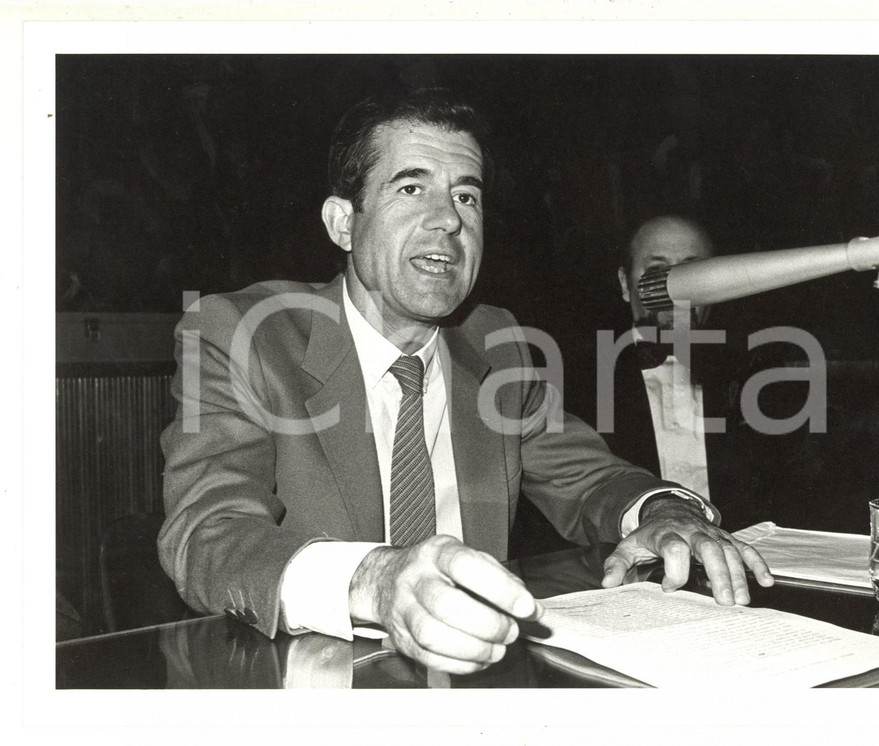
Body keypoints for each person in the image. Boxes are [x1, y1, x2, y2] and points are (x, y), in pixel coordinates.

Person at [158, 89, 772, 676]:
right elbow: (208, 536)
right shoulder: (243, 333)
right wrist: (374, 580)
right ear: (343, 222)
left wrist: (664, 511)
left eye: (467, 197)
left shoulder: (497, 347)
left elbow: (593, 480)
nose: (447, 220)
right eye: (410, 187)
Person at [597, 215, 799, 530]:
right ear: (625, 284)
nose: (675, 286)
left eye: (693, 270)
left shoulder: (758, 375)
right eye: (656, 270)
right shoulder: (578, 385)